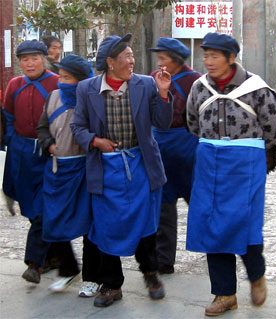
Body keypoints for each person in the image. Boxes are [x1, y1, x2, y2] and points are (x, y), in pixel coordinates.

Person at [186, 32, 276, 317]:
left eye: (214, 56)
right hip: (209, 163)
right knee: (212, 226)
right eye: (205, 56)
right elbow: (192, 123)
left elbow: (272, 128)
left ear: (231, 58)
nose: (207, 61)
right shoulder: (199, 88)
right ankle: (224, 294)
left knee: (243, 222)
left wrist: (243, 149)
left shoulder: (256, 88)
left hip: (245, 165)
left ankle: (256, 275)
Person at [70, 33, 173, 308]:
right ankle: (112, 285)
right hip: (105, 168)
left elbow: (162, 124)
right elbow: (77, 127)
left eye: (131, 55)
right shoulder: (86, 89)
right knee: (106, 227)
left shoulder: (146, 85)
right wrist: (96, 141)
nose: (132, 60)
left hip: (140, 164)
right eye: (126, 56)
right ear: (110, 62)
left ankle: (151, 275)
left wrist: (163, 93)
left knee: (145, 224)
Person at [37, 54, 102, 297]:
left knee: (89, 226)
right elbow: (42, 127)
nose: (61, 82)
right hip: (57, 170)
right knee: (53, 221)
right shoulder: (53, 97)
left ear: (82, 80)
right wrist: (49, 144)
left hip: (85, 170)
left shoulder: (92, 100)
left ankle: (92, 278)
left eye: (68, 78)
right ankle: (67, 269)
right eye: (60, 76)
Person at [2, 40, 59, 284]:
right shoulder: (14, 85)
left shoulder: (57, 83)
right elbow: (7, 115)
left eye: (34, 58)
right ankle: (54, 255)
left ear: (45, 59)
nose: (29, 63)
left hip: (49, 152)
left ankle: (34, 263)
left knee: (43, 207)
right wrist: (11, 142)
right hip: (21, 152)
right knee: (29, 204)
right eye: (24, 59)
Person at [149, 37, 201, 274]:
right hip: (160, 146)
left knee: (199, 202)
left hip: (188, 145)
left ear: (177, 60)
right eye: (158, 59)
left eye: (164, 59)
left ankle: (214, 248)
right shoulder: (153, 78)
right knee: (163, 204)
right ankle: (164, 259)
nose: (160, 64)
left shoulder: (196, 81)